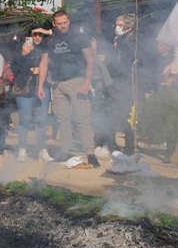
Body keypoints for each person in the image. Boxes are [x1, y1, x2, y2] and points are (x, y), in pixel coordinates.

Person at [37, 11, 100, 167]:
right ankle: (65, 152)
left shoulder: (78, 37)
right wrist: (40, 86)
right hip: (57, 84)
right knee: (62, 120)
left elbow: (91, 59)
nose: (63, 26)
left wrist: (87, 82)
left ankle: (91, 154)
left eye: (65, 22)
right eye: (59, 23)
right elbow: (44, 64)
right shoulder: (50, 39)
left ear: (69, 21)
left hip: (77, 82)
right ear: (54, 24)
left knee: (83, 118)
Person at [11, 26, 54, 162]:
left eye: (40, 34)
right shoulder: (21, 48)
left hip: (43, 85)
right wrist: (22, 55)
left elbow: (62, 33)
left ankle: (42, 150)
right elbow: (14, 67)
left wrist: (48, 31)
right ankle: (22, 150)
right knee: (24, 119)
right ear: (29, 35)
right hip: (26, 85)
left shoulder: (47, 47)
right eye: (34, 34)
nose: (37, 37)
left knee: (41, 120)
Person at [106, 14, 139, 155]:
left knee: (127, 115)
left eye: (119, 25)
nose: (116, 27)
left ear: (128, 26)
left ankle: (130, 146)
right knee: (113, 114)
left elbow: (128, 62)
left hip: (127, 82)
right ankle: (113, 144)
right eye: (116, 24)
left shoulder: (133, 41)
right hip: (115, 81)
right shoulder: (118, 40)